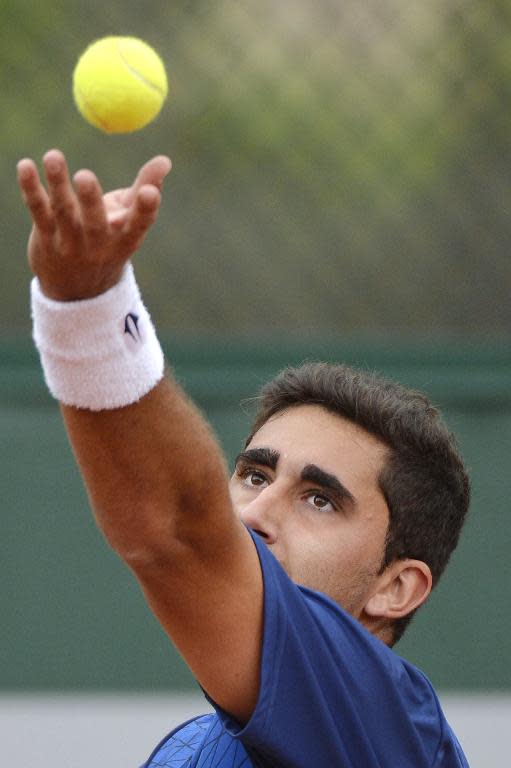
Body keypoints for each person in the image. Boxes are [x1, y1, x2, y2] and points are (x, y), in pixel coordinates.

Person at [17, 150, 471, 767]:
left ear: (395, 588)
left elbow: (180, 534)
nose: (255, 511)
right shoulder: (183, 752)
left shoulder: (388, 727)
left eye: (319, 499)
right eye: (254, 474)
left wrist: (87, 309)